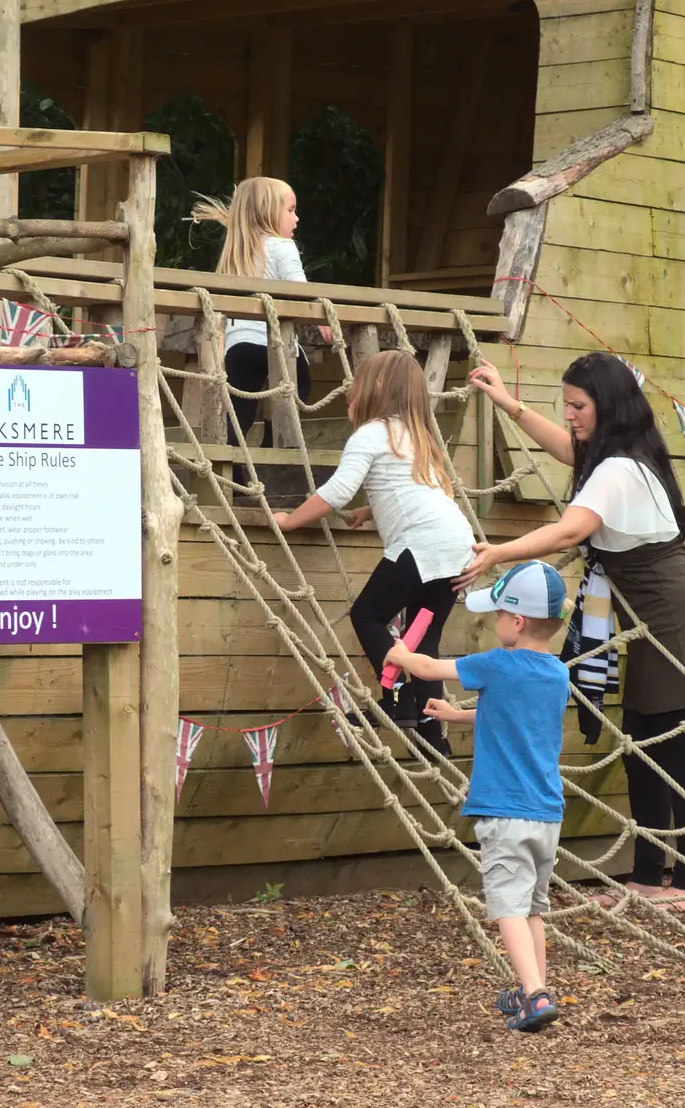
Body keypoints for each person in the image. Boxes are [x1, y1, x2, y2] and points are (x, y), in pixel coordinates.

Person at [460, 350, 685, 910]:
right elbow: (566, 449)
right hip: (650, 628)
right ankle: (645, 876)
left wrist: (499, 553)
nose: (569, 416)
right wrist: (509, 403)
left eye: (578, 405)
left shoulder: (619, 470)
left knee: (677, 754)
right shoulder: (616, 459)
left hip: (677, 627)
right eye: (565, 405)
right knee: (640, 749)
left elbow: (570, 532)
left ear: (606, 406)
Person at [385, 559, 572, 1033]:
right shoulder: (555, 673)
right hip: (546, 814)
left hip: (505, 811)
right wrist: (457, 716)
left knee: (507, 905)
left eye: (497, 616)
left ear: (517, 620)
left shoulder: (498, 663)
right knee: (531, 907)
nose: (493, 624)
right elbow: (514, 717)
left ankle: (534, 995)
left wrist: (398, 654)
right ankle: (536, 986)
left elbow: (428, 665)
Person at [270, 349, 475, 745]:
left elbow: (337, 492)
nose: (351, 391)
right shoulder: (418, 435)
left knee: (368, 615)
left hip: (423, 541)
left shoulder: (372, 433)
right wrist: (373, 510)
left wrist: (291, 519)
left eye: (357, 383)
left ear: (377, 388)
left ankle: (396, 699)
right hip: (456, 542)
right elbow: (413, 492)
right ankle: (433, 731)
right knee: (424, 637)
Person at [190, 177, 322, 445]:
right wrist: (321, 318)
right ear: (268, 212)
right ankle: (274, 449)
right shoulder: (281, 246)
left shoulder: (236, 252)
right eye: (290, 210)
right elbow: (301, 289)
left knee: (238, 417)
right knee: (296, 393)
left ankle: (234, 478)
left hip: (238, 347)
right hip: (276, 347)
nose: (296, 218)